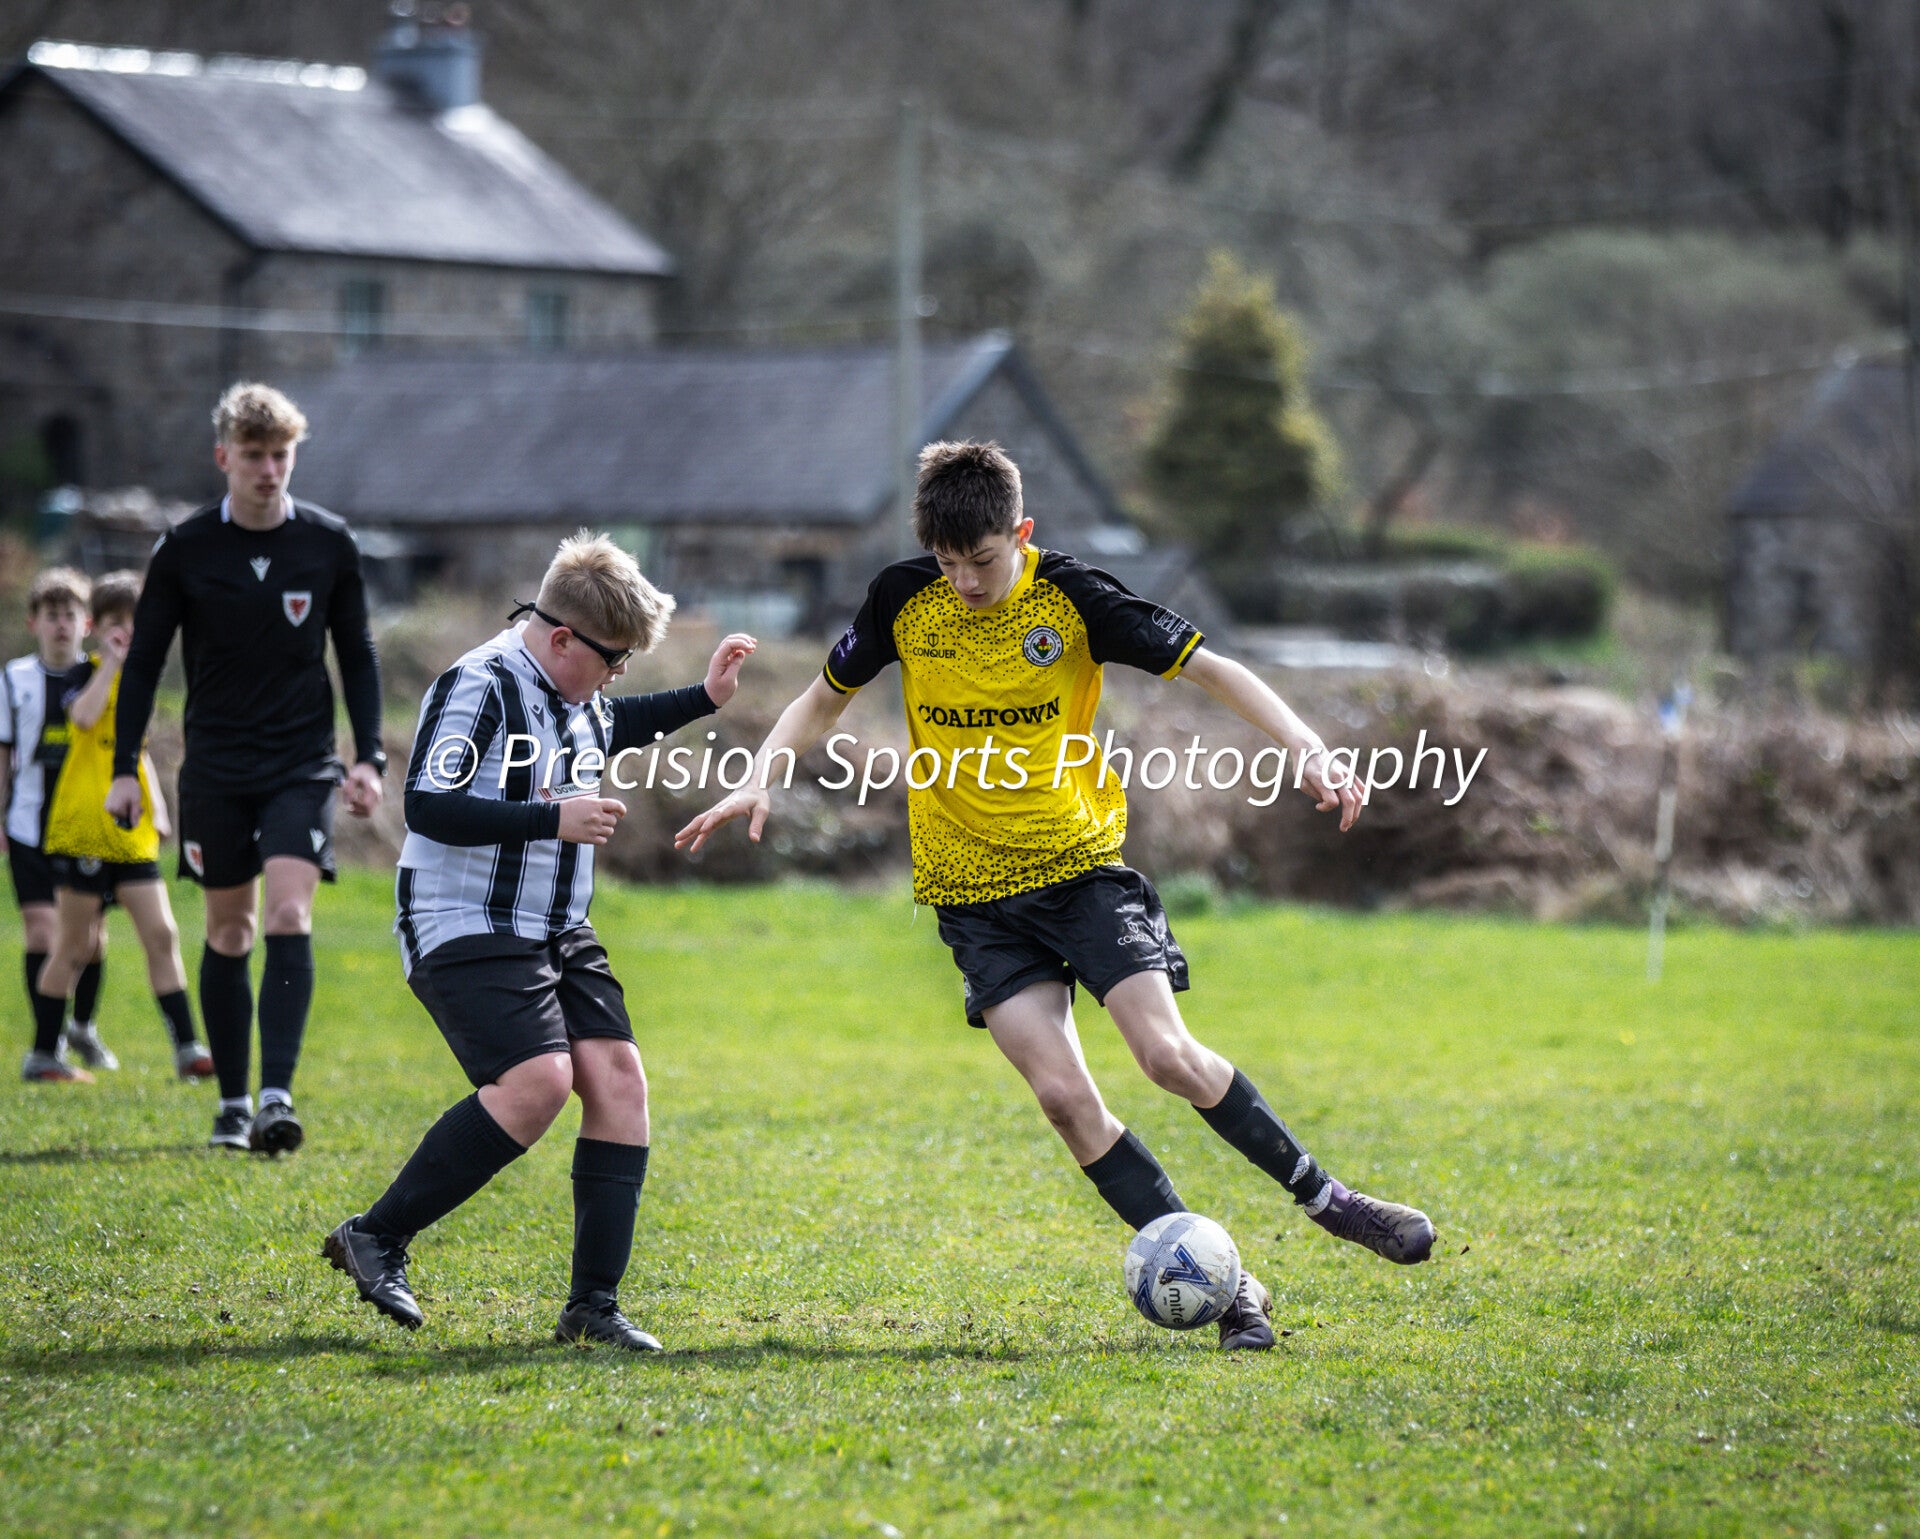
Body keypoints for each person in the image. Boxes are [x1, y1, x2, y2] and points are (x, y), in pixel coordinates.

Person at [677, 440, 1434, 1352]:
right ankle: (1231, 1292)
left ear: (1020, 532)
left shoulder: (1074, 597)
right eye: (949, 563)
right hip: (973, 898)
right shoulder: (900, 598)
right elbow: (821, 698)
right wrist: (761, 774)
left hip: (1078, 874)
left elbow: (1212, 668)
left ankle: (1331, 1199)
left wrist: (1308, 746)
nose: (963, 581)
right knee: (1067, 1102)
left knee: (1166, 1056)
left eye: (983, 561)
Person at [322, 532, 756, 1350]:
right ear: (562, 637)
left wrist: (701, 696)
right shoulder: (478, 686)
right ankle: (375, 1235)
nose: (617, 674)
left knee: (620, 1082)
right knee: (538, 1083)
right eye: (612, 658)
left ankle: (591, 1307)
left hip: (555, 924)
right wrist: (550, 816)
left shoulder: (572, 685)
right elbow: (428, 803)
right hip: (464, 918)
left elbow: (608, 722)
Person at [108, 382, 385, 1154]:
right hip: (217, 767)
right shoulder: (185, 548)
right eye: (255, 456)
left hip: (302, 761)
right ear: (224, 456)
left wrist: (368, 755)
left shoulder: (329, 543)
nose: (269, 470)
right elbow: (144, 667)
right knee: (228, 929)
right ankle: (232, 1100)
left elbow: (357, 655)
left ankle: (276, 1094)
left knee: (289, 914)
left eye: (282, 455)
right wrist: (125, 765)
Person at [31, 572, 214, 1085]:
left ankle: (188, 1050)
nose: (124, 633)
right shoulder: (80, 673)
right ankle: (44, 1053)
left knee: (162, 932)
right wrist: (110, 663)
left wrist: (158, 808)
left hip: (129, 832)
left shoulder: (144, 678)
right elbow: (85, 720)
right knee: (75, 945)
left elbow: (139, 753)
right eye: (113, 624)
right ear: (94, 627)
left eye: (133, 624)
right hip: (84, 827)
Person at [5, 567, 110, 1081]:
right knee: (43, 931)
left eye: (70, 615)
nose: (61, 625)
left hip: (86, 825)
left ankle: (82, 1026)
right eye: (52, 616)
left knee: (90, 938)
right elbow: (5, 755)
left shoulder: (98, 675)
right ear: (34, 623)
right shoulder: (13, 679)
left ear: (86, 622)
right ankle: (48, 1042)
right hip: (28, 826)